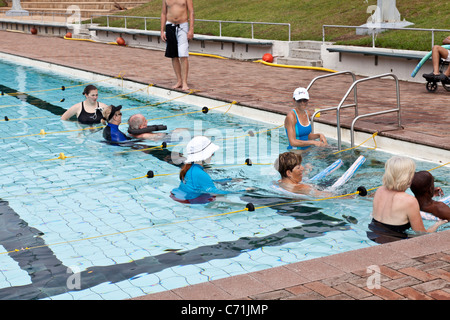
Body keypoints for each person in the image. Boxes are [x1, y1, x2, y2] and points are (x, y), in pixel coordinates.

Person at [367, 156, 447, 244]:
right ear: (407, 177)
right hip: (392, 241)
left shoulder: (380, 190)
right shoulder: (410, 201)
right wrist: (438, 224)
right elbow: (422, 235)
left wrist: (428, 193)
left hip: (372, 234)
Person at [170, 136, 235, 204]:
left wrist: (228, 180)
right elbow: (215, 192)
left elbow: (202, 182)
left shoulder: (190, 168)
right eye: (212, 153)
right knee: (228, 201)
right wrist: (242, 191)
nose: (212, 155)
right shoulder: (200, 173)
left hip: (184, 197)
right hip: (195, 201)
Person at [161, 0, 195, 91]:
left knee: (183, 54)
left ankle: (184, 82)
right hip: (170, 26)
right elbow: (164, 13)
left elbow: (191, 11)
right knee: (174, 55)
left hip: (182, 26)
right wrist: (161, 31)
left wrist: (191, 30)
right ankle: (179, 80)